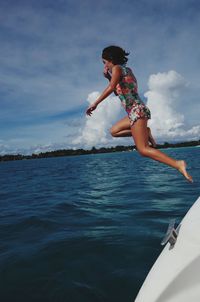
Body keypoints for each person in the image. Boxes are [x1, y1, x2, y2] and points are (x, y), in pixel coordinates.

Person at [86, 45, 193, 182]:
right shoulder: (127, 70)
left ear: (111, 59)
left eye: (104, 62)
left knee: (143, 149)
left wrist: (95, 103)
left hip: (137, 110)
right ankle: (146, 132)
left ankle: (178, 164)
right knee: (114, 131)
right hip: (134, 111)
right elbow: (117, 90)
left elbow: (112, 87)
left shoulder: (118, 68)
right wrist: (108, 77)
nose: (105, 66)